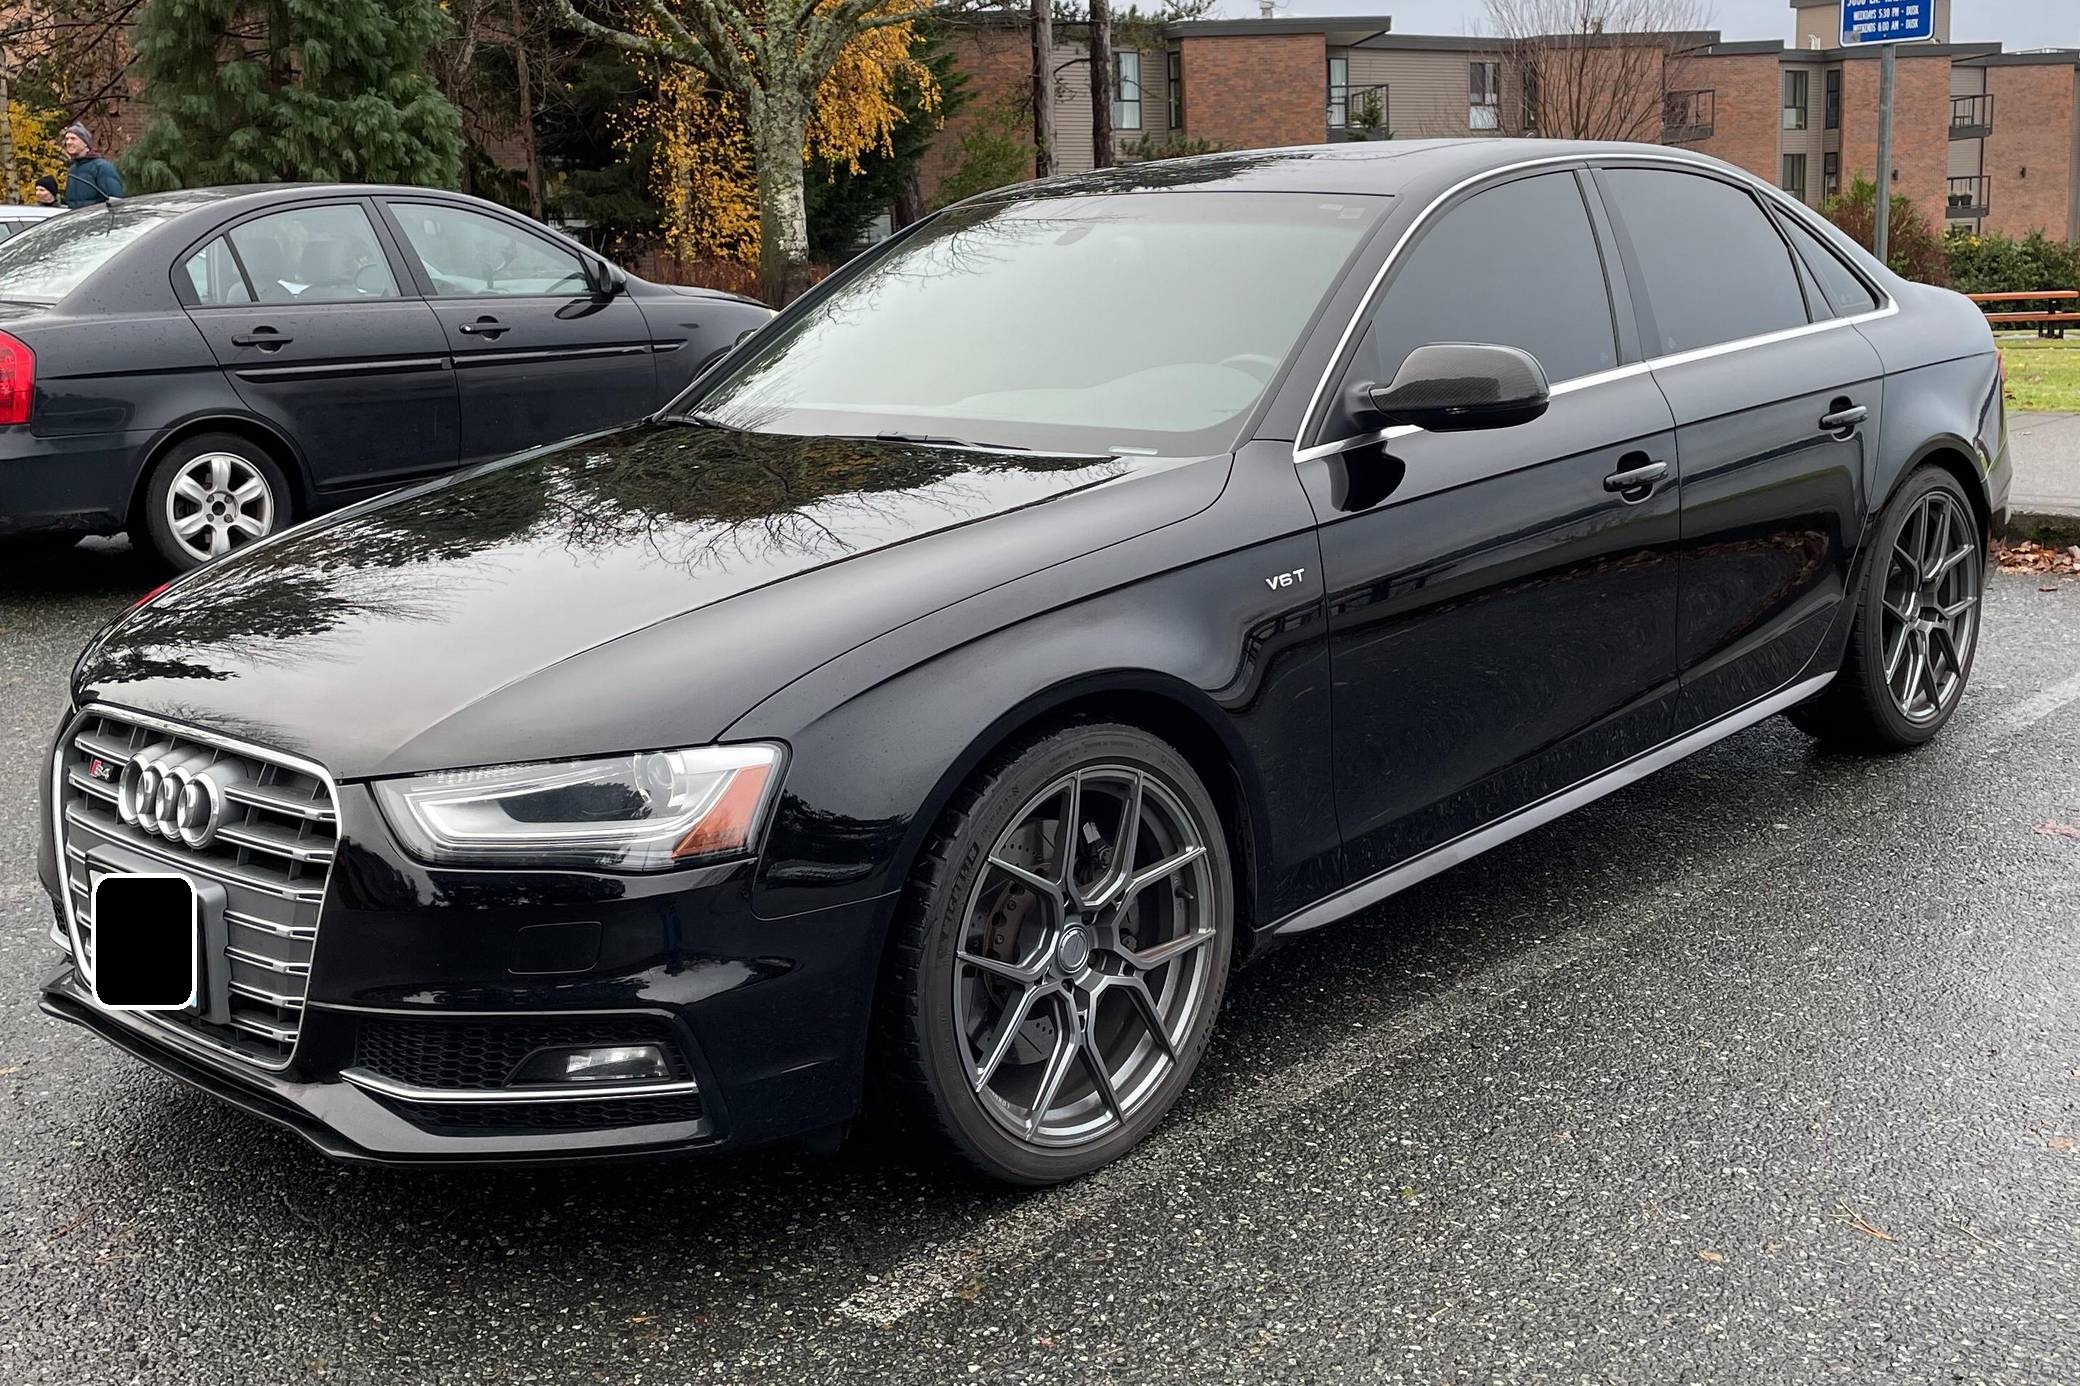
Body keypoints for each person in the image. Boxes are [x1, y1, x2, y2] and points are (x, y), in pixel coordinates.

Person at [58, 123, 122, 208]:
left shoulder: (101, 167)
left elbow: (115, 200)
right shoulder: (73, 170)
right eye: (67, 139)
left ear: (85, 143)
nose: (68, 142)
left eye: (73, 138)